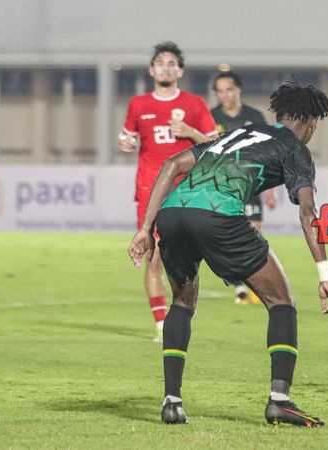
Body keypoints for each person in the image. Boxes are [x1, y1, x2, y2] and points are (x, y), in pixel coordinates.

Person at [128, 81, 328, 427]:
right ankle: (280, 402)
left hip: (173, 212)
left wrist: (145, 228)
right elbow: (308, 215)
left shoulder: (241, 131)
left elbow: (171, 165)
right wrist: (325, 275)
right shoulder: (296, 149)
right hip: (218, 216)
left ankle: (171, 401)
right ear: (311, 122)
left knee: (182, 302)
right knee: (282, 302)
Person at [119, 41, 218, 341]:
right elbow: (128, 136)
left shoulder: (194, 104)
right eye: (160, 62)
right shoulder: (139, 104)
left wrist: (190, 132)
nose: (165, 67)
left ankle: (185, 307)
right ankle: (162, 324)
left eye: (171, 63)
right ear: (151, 69)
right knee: (154, 257)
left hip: (188, 189)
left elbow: (215, 145)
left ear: (180, 71)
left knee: (187, 256)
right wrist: (125, 143)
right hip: (150, 189)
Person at [210, 71, 277, 305]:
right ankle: (239, 284)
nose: (225, 95)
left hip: (250, 185)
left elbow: (268, 153)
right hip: (221, 187)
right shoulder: (211, 117)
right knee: (228, 235)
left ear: (239, 90)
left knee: (255, 234)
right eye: (220, 91)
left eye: (229, 90)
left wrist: (270, 188)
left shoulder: (254, 117)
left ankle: (254, 283)